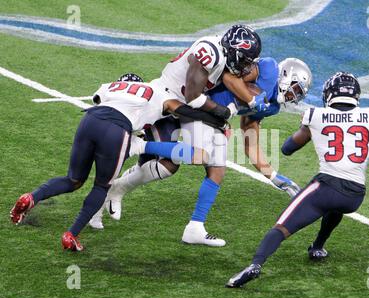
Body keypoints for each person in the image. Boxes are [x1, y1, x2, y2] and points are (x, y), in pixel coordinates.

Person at [91, 25, 265, 247]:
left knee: (184, 163)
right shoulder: (209, 51)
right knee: (158, 161)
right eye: (245, 60)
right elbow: (193, 97)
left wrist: (224, 118)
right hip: (163, 104)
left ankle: (122, 186)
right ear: (234, 50)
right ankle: (105, 195)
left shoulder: (222, 56)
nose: (246, 66)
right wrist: (223, 112)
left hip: (181, 108)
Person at [9, 73, 225, 251]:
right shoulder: (156, 92)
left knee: (73, 179)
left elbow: (99, 101)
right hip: (117, 129)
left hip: (89, 120)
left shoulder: (110, 85)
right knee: (102, 186)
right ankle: (71, 234)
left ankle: (31, 197)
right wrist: (215, 118)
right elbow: (180, 109)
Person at [226, 72, 369, 288]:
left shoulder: (316, 115)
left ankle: (255, 265)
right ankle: (317, 246)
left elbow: (288, 148)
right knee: (336, 205)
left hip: (326, 187)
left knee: (281, 226)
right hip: (355, 195)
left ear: (329, 94)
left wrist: (308, 133)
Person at [208, 57, 312, 196]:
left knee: (212, 165)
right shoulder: (269, 69)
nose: (295, 96)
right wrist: (250, 99)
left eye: (299, 94)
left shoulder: (273, 107)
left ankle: (197, 218)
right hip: (201, 97)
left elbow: (250, 144)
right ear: (287, 74)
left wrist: (273, 176)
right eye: (297, 89)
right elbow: (227, 76)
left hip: (212, 117)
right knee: (205, 156)